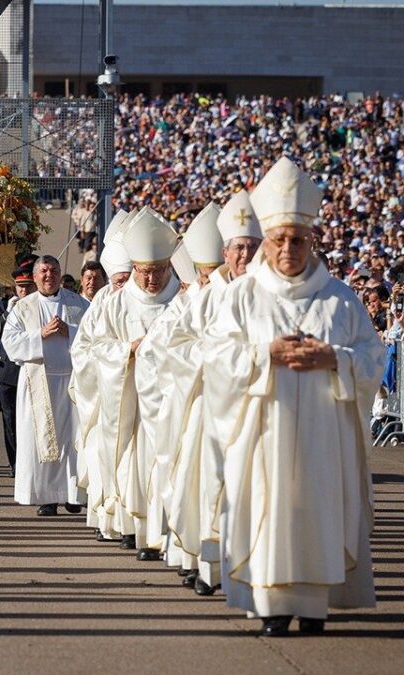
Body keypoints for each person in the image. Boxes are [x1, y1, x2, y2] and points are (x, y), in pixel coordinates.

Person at [207, 157, 383, 637]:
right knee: (270, 508)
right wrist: (265, 354)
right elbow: (217, 358)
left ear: (313, 241)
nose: (288, 249)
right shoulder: (243, 296)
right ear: (266, 240)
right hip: (265, 431)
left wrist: (335, 358)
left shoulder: (341, 299)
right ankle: (271, 606)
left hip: (324, 436)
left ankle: (315, 608)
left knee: (318, 510)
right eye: (279, 239)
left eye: (298, 240)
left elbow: (374, 359)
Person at [170, 190, 262, 596]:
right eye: (239, 247)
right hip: (210, 405)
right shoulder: (203, 297)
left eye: (253, 247)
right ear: (225, 252)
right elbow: (170, 346)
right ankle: (209, 567)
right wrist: (213, 359)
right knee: (210, 485)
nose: (245, 255)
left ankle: (251, 567)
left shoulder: (270, 294)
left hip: (259, 406)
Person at [84, 209, 182, 553]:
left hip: (171, 399)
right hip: (129, 399)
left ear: (169, 266)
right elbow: (96, 346)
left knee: (169, 463)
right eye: (143, 272)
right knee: (132, 464)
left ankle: (167, 531)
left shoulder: (183, 302)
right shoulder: (116, 303)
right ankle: (134, 528)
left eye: (157, 271)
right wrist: (128, 349)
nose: (151, 279)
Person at [144, 203, 223, 585]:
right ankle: (196, 559)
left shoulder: (246, 295)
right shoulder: (185, 304)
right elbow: (162, 349)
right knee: (195, 484)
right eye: (203, 274)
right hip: (196, 407)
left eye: (211, 273)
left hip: (241, 408)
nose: (207, 281)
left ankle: (225, 567)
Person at [2, 255, 88, 516]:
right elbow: (10, 342)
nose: (48, 275)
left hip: (73, 381)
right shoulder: (23, 307)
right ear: (35, 276)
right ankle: (47, 499)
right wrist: (39, 334)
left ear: (61, 275)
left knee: (73, 441)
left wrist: (69, 332)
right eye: (43, 271)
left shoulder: (79, 304)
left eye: (53, 271)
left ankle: (74, 494)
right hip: (37, 381)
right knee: (42, 442)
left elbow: (94, 336)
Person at [71, 210, 134, 538]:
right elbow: (82, 351)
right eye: (118, 281)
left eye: (128, 279)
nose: (123, 286)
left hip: (137, 395)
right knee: (102, 456)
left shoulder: (143, 300)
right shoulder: (100, 305)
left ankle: (132, 522)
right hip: (104, 394)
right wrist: (123, 354)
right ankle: (106, 520)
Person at [0, 257, 37, 476]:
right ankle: (14, 462)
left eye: (28, 286)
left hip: (31, 371)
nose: (24, 291)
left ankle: (30, 463)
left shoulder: (40, 307)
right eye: (21, 287)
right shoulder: (4, 307)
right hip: (8, 373)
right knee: (10, 422)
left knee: (30, 421)